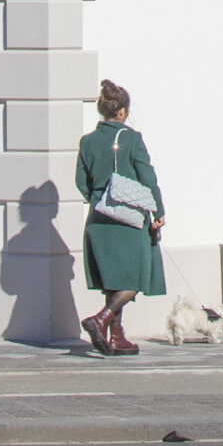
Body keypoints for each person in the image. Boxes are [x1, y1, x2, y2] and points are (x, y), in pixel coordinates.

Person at [75, 79, 165, 355]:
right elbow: (148, 177)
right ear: (123, 111)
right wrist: (158, 211)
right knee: (136, 278)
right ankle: (101, 319)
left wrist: (100, 201)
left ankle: (116, 336)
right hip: (128, 220)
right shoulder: (132, 139)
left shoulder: (87, 142)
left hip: (98, 218)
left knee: (113, 279)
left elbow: (81, 182)